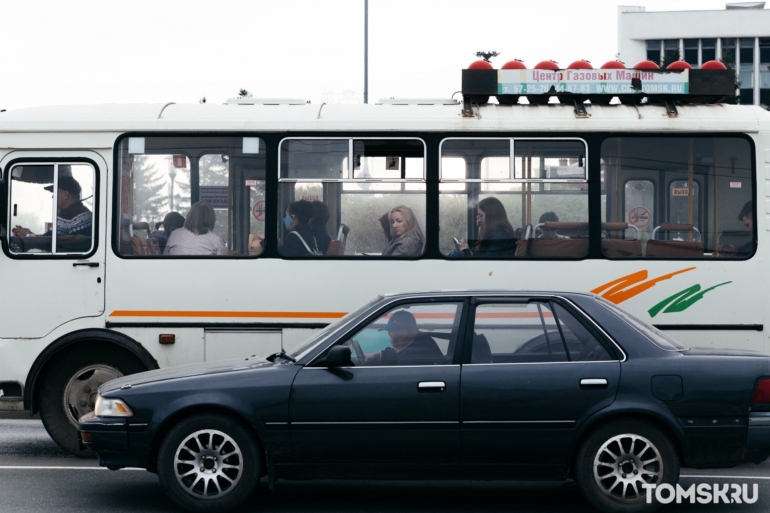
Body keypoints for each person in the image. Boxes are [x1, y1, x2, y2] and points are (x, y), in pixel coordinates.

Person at [12, 176, 92, 239]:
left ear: (65, 194)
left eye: (55, 192)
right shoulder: (84, 212)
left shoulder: (68, 215)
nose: (53, 196)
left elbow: (47, 241)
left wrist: (27, 234)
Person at [363, 310, 443, 365]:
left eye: (398, 336)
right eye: (390, 336)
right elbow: (398, 352)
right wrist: (376, 355)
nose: (393, 341)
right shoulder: (420, 341)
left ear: (413, 331)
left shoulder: (414, 356)